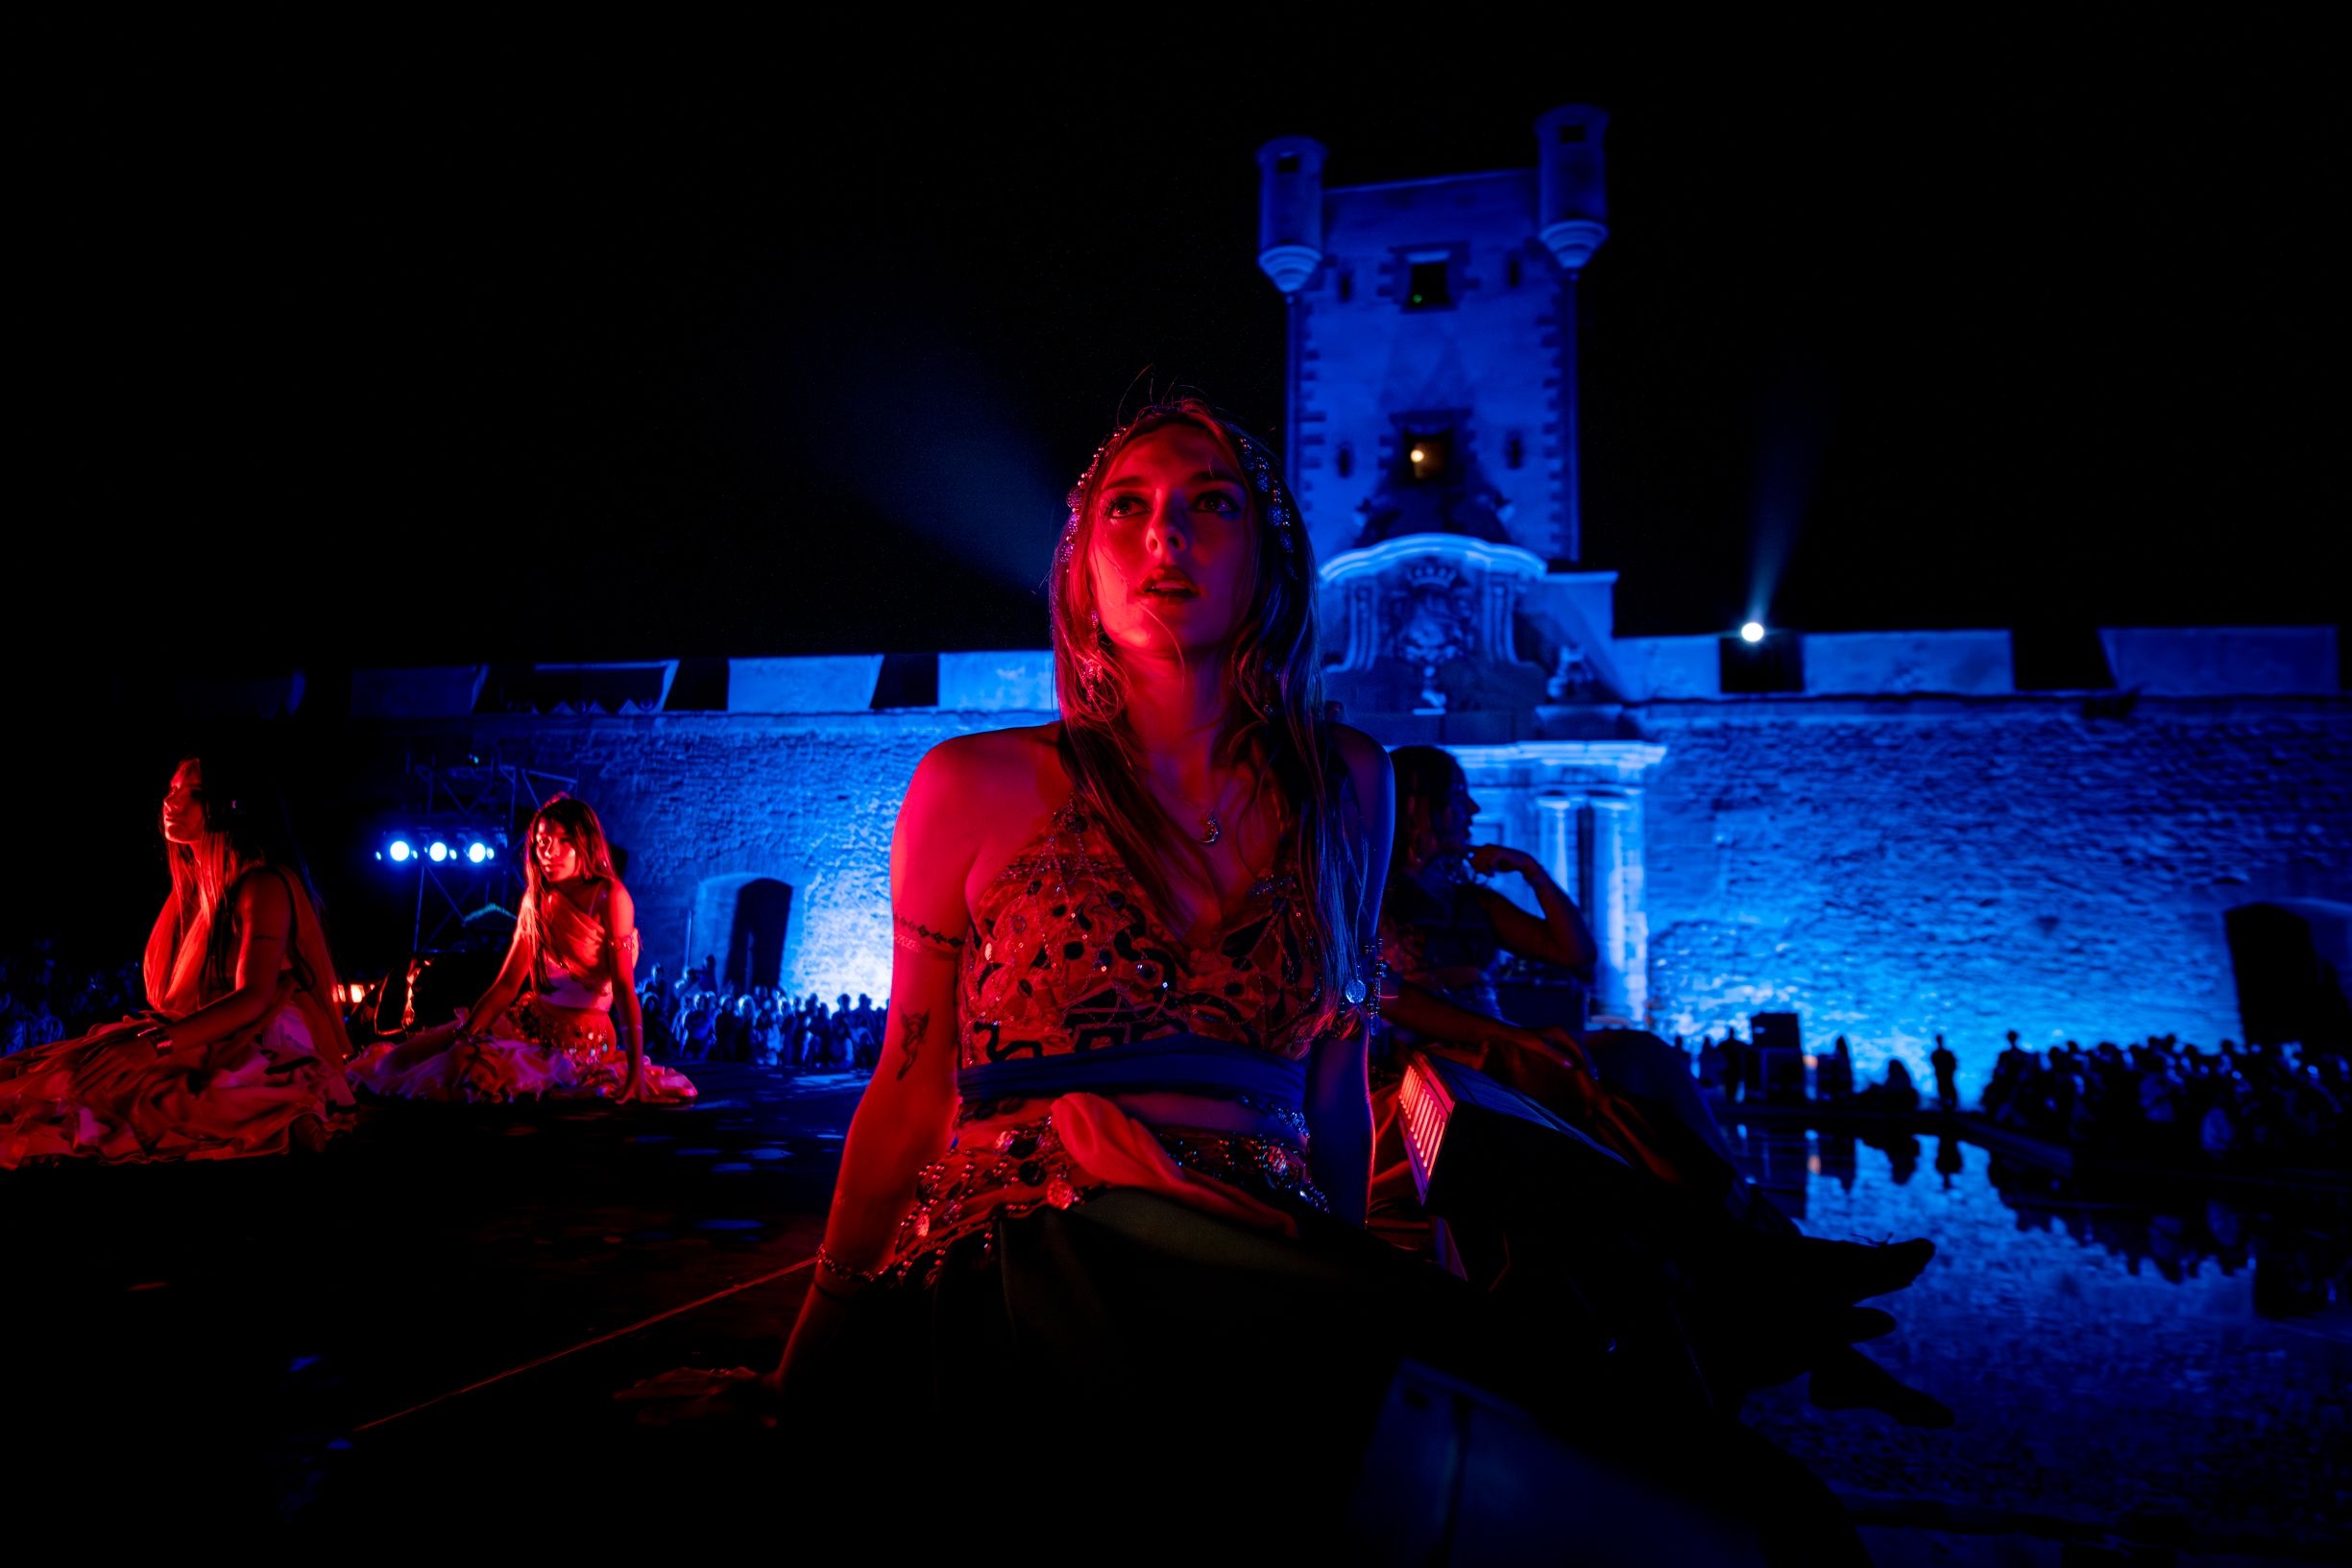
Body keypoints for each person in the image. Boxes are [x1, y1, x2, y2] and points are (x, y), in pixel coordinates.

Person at [622, 401, 1874, 1559]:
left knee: (1735, 1511)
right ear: (1080, 566)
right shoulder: (971, 783)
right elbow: (903, 1091)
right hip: (1035, 1239)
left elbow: (1334, 1079)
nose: (1164, 528)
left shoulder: (1352, 782)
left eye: (1209, 500)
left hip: (1263, 1255)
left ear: (1272, 561)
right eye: (1127, 503)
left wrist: (1342, 1279)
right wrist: (806, 1369)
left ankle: (1752, 1280)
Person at [0, 755, 355, 1167]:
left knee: (99, 1094)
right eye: (171, 790)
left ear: (230, 806)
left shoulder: (263, 884)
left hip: (258, 1040)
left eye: (194, 795)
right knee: (59, 1074)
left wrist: (155, 1047)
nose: (171, 803)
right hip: (200, 1036)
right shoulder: (192, 890)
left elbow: (254, 997)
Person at [353, 795, 693, 1104]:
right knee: (397, 1062)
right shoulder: (537, 900)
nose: (549, 852)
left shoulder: (610, 897)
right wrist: (467, 1032)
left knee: (465, 1071)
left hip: (579, 1041)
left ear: (585, 844)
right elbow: (506, 986)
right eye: (543, 842)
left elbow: (623, 986)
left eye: (563, 842)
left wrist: (635, 1073)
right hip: (524, 1021)